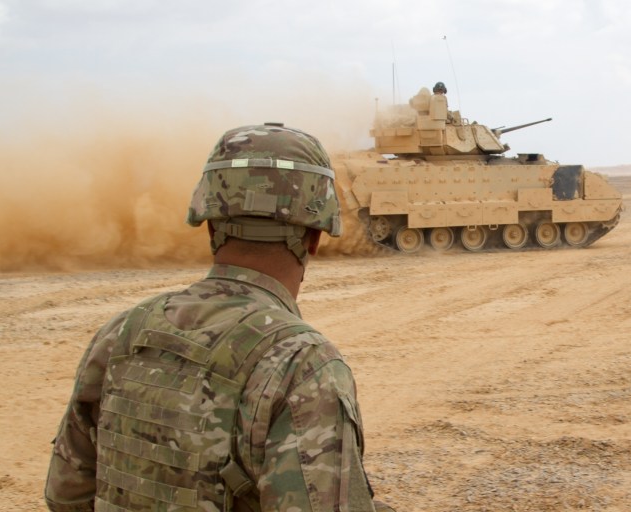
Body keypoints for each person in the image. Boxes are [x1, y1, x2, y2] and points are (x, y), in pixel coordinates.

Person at [44, 123, 392, 511]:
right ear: (315, 236)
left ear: (210, 226)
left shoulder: (122, 332)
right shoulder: (301, 364)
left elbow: (65, 495)